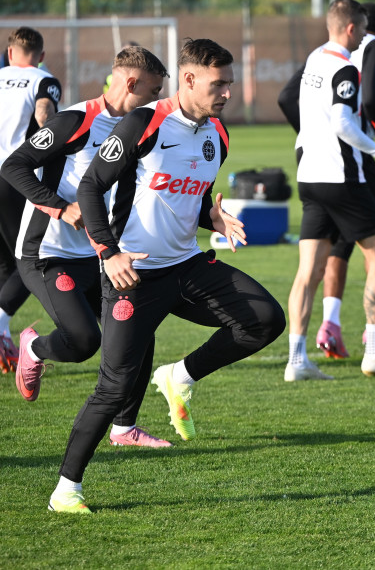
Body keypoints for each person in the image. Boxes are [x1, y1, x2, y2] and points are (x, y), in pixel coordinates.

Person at [46, 38, 286, 513]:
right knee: (113, 387)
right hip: (133, 275)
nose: (227, 93)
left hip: (188, 266)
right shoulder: (146, 122)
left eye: (230, 84)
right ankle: (65, 489)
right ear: (191, 79)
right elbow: (92, 186)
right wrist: (108, 253)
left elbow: (190, 197)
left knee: (264, 319)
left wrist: (210, 218)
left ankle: (180, 375)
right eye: (219, 84)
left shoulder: (217, 132)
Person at [1, 46, 172, 446]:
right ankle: (34, 346)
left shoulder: (139, 128)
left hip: (98, 255)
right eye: (152, 91)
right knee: (84, 342)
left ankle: (124, 427)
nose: (157, 100)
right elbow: (13, 166)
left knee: (139, 327)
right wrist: (60, 208)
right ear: (130, 83)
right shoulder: (77, 119)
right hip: (46, 254)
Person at [284, 0, 375, 381]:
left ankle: (296, 360)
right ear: (351, 28)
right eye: (361, 31)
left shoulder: (314, 59)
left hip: (309, 176)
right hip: (343, 178)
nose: (363, 41)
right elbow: (343, 121)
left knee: (308, 270)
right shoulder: (344, 67)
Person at [0, 27, 62, 372]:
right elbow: (43, 112)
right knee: (30, 259)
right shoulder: (43, 79)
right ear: (39, 54)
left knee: (6, 264)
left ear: (10, 53)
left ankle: (3, 331)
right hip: (14, 177)